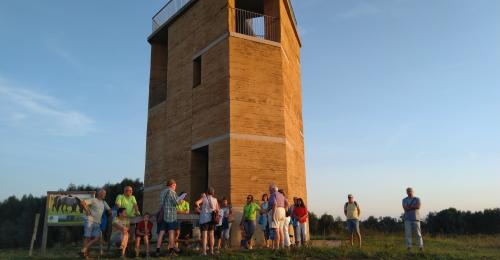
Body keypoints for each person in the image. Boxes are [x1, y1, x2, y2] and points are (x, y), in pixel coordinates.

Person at [79, 189, 111, 257]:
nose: (104, 195)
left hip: (97, 222)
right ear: (99, 194)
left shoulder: (104, 203)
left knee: (98, 237)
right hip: (90, 220)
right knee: (87, 237)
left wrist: (109, 211)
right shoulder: (93, 199)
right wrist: (87, 210)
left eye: (105, 194)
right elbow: (82, 202)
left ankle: (83, 250)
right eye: (103, 193)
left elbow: (109, 210)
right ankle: (85, 254)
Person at [156, 179, 183, 256]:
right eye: (175, 186)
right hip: (171, 215)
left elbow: (161, 203)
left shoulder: (162, 192)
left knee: (161, 233)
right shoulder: (172, 192)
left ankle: (157, 250)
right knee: (171, 232)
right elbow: (176, 202)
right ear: (172, 185)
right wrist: (181, 200)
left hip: (163, 215)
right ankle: (171, 248)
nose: (175, 188)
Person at [195, 187, 219, 256]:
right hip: (212, 219)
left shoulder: (204, 198)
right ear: (213, 193)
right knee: (211, 235)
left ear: (207, 192)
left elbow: (196, 203)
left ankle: (204, 252)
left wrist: (200, 208)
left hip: (204, 219)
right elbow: (217, 209)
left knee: (204, 236)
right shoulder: (215, 199)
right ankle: (211, 251)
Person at [268, 184, 288, 250]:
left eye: (270, 189)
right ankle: (282, 247)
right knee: (281, 230)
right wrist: (285, 209)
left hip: (276, 211)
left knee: (276, 230)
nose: (269, 191)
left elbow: (274, 204)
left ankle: (277, 248)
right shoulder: (281, 195)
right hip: (283, 211)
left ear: (273, 189)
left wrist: (273, 215)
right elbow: (287, 202)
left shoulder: (273, 195)